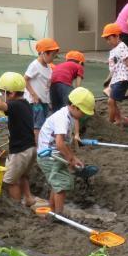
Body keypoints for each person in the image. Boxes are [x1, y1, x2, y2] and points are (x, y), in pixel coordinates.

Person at [0, 72, 36, 208]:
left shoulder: (15, 105)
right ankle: (28, 199)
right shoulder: (25, 104)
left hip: (20, 151)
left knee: (10, 181)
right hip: (31, 148)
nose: (1, 95)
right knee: (23, 175)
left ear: (10, 94)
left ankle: (17, 207)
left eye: (2, 92)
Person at [36, 86, 95, 216]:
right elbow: (59, 143)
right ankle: (59, 215)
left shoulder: (70, 116)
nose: (84, 115)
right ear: (74, 106)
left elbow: (65, 143)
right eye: (83, 112)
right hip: (48, 156)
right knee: (61, 184)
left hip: (54, 154)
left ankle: (52, 211)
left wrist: (73, 158)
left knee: (57, 183)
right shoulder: (62, 118)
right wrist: (71, 159)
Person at [25, 37, 59, 138]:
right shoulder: (35, 65)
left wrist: (49, 102)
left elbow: (46, 86)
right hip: (35, 102)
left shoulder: (48, 67)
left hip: (44, 101)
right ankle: (38, 149)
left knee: (42, 124)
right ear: (44, 53)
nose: (53, 58)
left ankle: (37, 145)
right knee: (38, 126)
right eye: (52, 55)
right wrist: (34, 95)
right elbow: (24, 80)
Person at [103, 22, 128, 126]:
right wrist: (108, 78)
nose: (108, 41)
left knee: (110, 101)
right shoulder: (114, 50)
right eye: (106, 39)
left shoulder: (121, 46)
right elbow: (114, 66)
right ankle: (119, 119)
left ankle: (110, 122)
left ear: (117, 36)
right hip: (116, 78)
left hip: (122, 78)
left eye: (109, 38)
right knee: (112, 101)